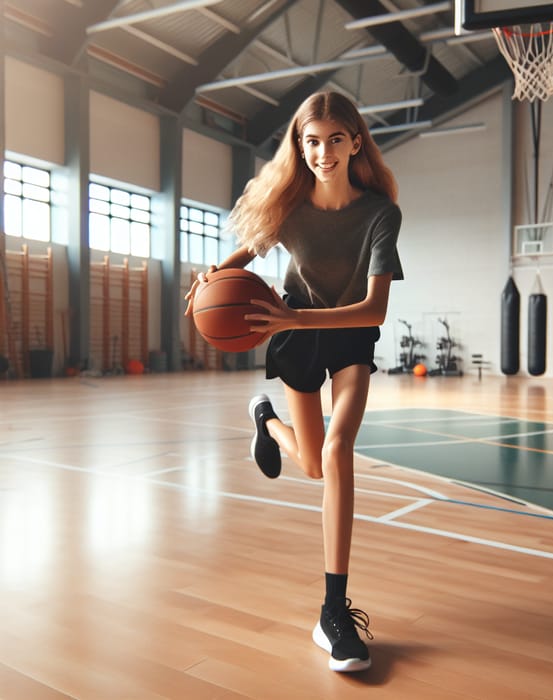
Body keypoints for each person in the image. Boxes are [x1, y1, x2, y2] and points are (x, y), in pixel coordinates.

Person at [185, 91, 403, 673]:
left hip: (348, 334)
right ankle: (267, 421)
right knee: (312, 464)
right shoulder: (289, 207)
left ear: (355, 141)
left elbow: (375, 309)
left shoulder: (381, 213)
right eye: (311, 141)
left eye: (334, 139)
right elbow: (241, 258)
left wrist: (296, 315)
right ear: (299, 145)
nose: (322, 152)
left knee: (337, 451)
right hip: (296, 338)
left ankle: (334, 612)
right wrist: (210, 280)